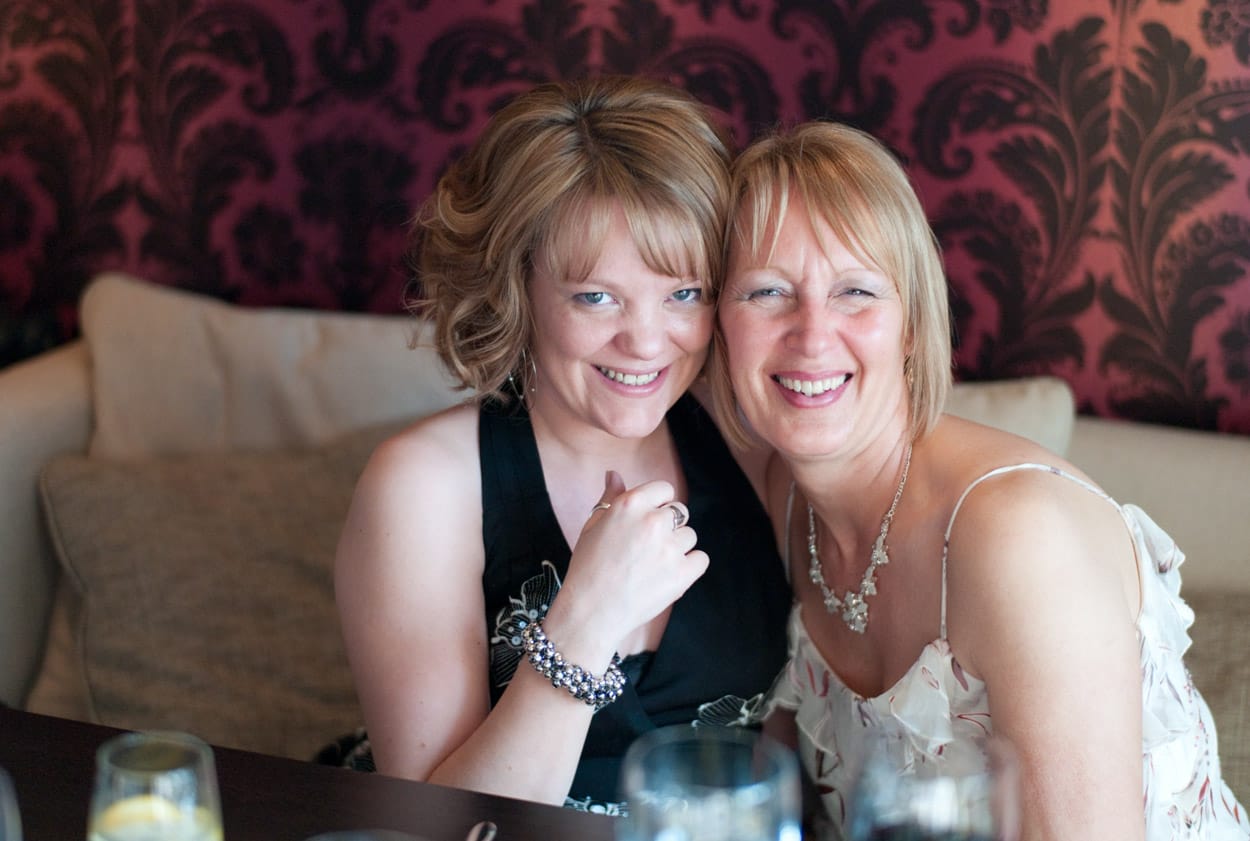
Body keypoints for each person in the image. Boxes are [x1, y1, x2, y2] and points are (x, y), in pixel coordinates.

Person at [710, 121, 1250, 840]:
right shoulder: (780, 493)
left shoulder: (1019, 537)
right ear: (716, 323)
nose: (811, 334)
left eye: (856, 291)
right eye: (767, 292)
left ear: (911, 324)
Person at [333, 75, 792, 814]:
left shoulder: (752, 442)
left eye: (683, 293)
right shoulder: (423, 487)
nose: (646, 342)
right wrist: (586, 621)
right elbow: (436, 828)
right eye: (596, 297)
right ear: (518, 291)